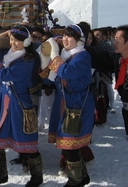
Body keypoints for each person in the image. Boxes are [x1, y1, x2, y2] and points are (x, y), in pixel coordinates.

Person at [0, 25, 43, 187]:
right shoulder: (9, 55)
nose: (13, 43)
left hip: (19, 104)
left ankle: (37, 177)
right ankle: (0, 175)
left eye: (18, 41)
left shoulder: (29, 59)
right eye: (12, 39)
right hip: (3, 102)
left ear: (26, 42)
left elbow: (5, 74)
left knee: (27, 142)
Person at [85, 25, 128, 187]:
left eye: (117, 40)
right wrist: (77, 46)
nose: (113, 43)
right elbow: (98, 53)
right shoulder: (118, 58)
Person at [45, 24, 95, 187]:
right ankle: (82, 176)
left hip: (78, 106)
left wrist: (53, 55)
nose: (65, 39)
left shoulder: (82, 56)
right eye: (64, 36)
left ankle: (75, 180)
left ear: (78, 40)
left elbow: (66, 72)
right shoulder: (65, 55)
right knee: (68, 142)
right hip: (67, 104)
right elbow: (51, 76)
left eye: (70, 36)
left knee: (70, 143)